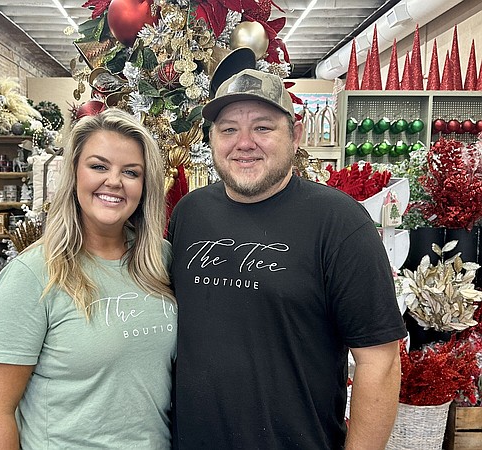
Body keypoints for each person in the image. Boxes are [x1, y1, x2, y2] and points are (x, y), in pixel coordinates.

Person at [167, 68, 407, 449]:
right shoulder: (189, 214)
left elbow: (380, 361)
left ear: (295, 135)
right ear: (211, 138)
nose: (244, 142)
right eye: (228, 129)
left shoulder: (339, 223)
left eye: (263, 127)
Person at [0, 108, 177, 449]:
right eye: (99, 166)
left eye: (131, 172)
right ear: (73, 172)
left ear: (145, 185)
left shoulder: (162, 260)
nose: (114, 181)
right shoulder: (33, 274)